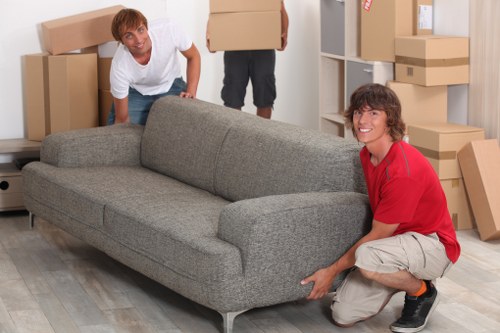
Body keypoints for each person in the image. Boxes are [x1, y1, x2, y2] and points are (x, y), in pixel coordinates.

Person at [301, 83, 460, 333]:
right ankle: (399, 276)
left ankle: (421, 291)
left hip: (433, 245)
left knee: (367, 257)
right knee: (343, 314)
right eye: (358, 112)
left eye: (373, 113)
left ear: (390, 120)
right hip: (394, 246)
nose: (362, 120)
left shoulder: (402, 171)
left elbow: (378, 235)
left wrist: (330, 272)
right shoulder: (367, 154)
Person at [108, 8, 201, 125]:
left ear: (147, 28)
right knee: (117, 130)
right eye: (129, 36)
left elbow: (193, 56)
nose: (138, 40)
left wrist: (191, 92)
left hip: (170, 84)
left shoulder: (169, 29)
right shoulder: (119, 65)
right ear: (121, 41)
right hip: (136, 92)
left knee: (188, 124)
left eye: (140, 30)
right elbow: (122, 120)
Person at [206, 0, 289, 119]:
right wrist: (210, 34)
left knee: (265, 96)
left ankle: (262, 134)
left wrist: (284, 33)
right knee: (232, 96)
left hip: (263, 47)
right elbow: (218, 11)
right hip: (235, 47)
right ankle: (235, 136)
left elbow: (279, 7)